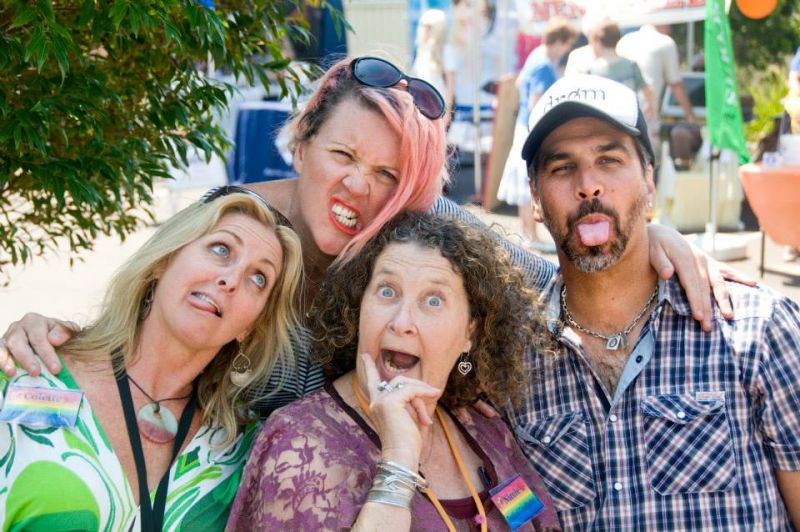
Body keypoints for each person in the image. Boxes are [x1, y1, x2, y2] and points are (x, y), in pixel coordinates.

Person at [1, 55, 735, 417]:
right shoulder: (227, 226)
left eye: (388, 172)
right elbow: (128, 327)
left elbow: (549, 279)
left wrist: (653, 238)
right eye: (344, 156)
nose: (362, 188)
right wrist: (43, 334)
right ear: (302, 143)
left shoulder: (413, 222)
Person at [512, 73, 800, 529]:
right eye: (562, 168)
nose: (589, 185)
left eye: (609, 160)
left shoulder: (758, 329)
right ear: (534, 197)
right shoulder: (506, 359)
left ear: (649, 180)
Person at [228, 212, 561, 531]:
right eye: (387, 291)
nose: (401, 322)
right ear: (358, 309)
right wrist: (399, 461)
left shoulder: (483, 430)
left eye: (433, 300)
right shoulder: (299, 447)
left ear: (469, 333)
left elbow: (532, 522)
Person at [0, 189, 303, 530]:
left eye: (258, 278)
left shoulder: (236, 450)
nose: (231, 280)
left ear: (252, 325)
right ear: (163, 260)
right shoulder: (27, 374)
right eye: (221, 249)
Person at [497, 17, 577, 252]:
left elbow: (520, 84)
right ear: (560, 41)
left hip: (523, 125)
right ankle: (531, 235)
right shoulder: (544, 65)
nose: (567, 49)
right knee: (529, 181)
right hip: (532, 129)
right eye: (567, 44)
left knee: (524, 181)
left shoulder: (536, 55)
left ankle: (528, 233)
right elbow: (537, 103)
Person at [617, 23, 700, 174]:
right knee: (649, 162)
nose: (671, 29)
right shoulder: (665, 42)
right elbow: (675, 84)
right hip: (647, 111)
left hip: (620, 110)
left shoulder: (625, 41)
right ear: (664, 23)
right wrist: (690, 116)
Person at [565, 19, 656, 125]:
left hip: (604, 123)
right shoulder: (631, 65)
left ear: (597, 42)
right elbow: (647, 91)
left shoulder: (591, 71)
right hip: (630, 120)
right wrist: (650, 106)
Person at [412, 9, 456, 124]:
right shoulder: (421, 49)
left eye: (429, 26)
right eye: (423, 25)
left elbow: (451, 84)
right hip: (421, 105)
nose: (424, 29)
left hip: (438, 105)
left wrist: (448, 111)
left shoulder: (446, 50)